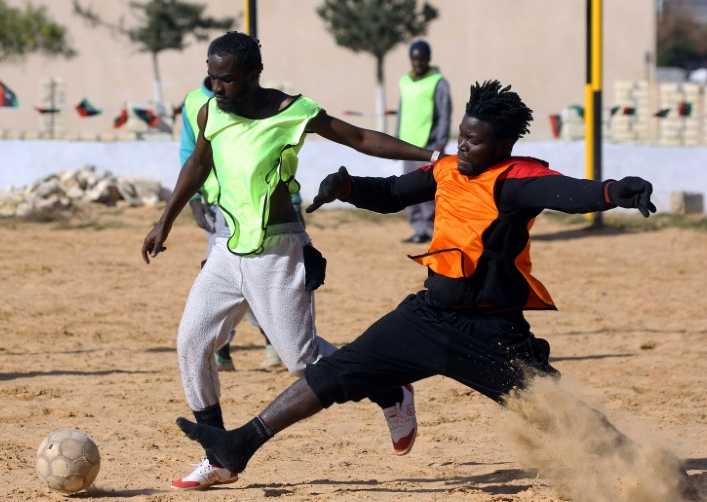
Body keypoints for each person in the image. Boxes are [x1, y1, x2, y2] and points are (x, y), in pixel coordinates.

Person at [172, 80, 677, 493]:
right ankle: (240, 445)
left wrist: (614, 191)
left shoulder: (517, 179)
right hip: (427, 318)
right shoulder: (448, 170)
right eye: (461, 137)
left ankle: (645, 467)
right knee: (334, 374)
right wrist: (349, 187)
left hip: (491, 335)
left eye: (475, 141)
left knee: (556, 415)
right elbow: (394, 192)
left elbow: (568, 192)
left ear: (502, 146)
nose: (463, 146)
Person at [142, 31, 442, 491]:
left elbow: (360, 137)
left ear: (253, 75)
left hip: (278, 250)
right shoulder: (210, 111)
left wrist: (433, 157)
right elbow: (198, 165)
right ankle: (218, 456)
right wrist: (165, 220)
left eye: (226, 80)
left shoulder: (292, 112)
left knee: (303, 362)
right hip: (227, 248)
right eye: (211, 77)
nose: (216, 87)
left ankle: (390, 390)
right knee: (191, 343)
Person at [180, 76, 282, 372]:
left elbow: (275, 152)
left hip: (254, 203)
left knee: (252, 276)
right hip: (217, 206)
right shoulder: (194, 102)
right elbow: (189, 153)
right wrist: (193, 199)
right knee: (221, 276)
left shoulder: (252, 100)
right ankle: (222, 352)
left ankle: (272, 342)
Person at [395, 40, 451, 244]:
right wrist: (395, 140)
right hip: (406, 145)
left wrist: (441, 143)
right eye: (414, 59)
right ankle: (419, 229)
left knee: (427, 191)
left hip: (428, 145)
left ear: (428, 58)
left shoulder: (438, 82)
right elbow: (402, 112)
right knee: (409, 189)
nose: (418, 63)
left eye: (421, 58)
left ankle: (432, 230)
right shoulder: (405, 81)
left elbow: (444, 115)